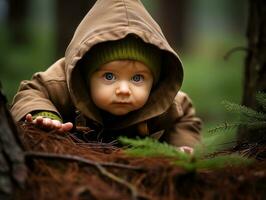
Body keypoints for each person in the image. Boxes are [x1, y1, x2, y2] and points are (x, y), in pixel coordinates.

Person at [11, 0, 202, 154]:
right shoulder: (63, 83)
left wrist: (183, 146)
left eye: (137, 78)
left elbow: (184, 115)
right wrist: (44, 115)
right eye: (109, 76)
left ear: (154, 80)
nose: (124, 90)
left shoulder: (162, 102)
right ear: (85, 76)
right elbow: (32, 91)